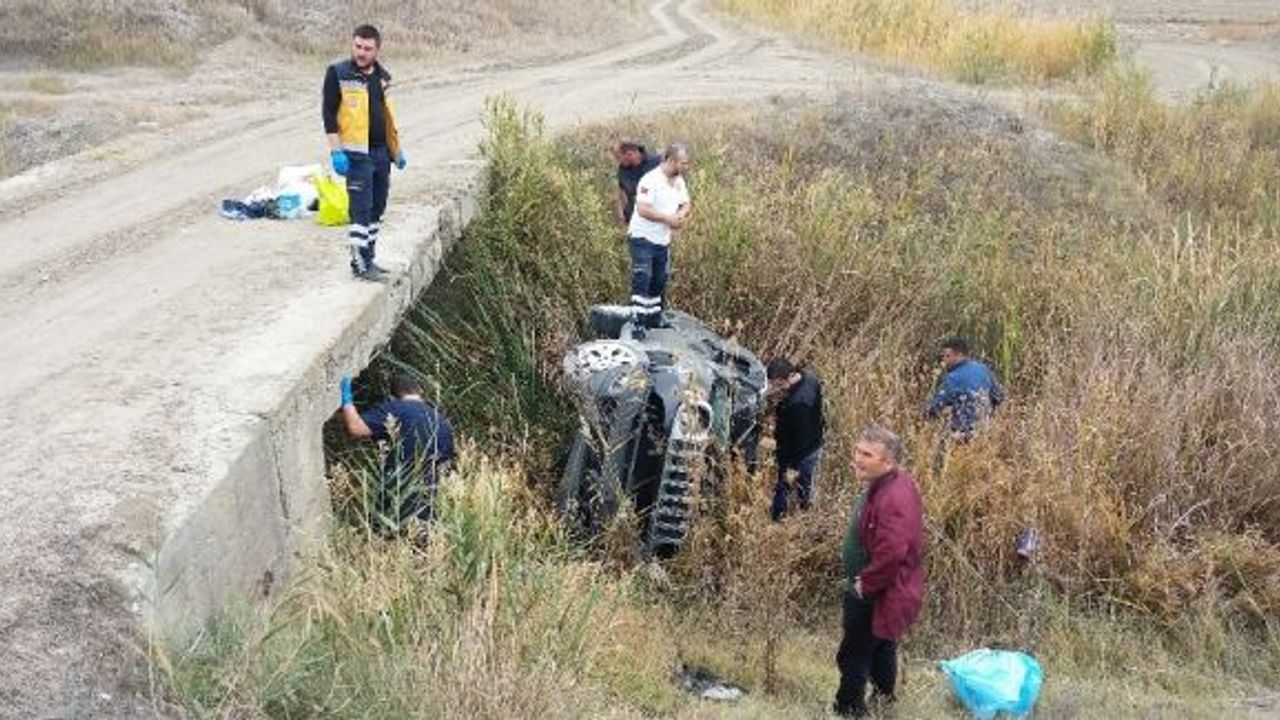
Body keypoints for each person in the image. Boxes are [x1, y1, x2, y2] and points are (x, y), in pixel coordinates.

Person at [835, 427, 925, 718]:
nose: (857, 459)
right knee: (882, 644)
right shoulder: (885, 485)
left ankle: (849, 709)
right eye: (857, 451)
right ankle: (883, 702)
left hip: (878, 590)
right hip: (884, 589)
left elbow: (892, 553)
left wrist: (866, 584)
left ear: (888, 463)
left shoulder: (893, 497)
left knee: (854, 653)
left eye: (867, 455)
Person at [322, 24, 407, 282]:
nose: (361, 52)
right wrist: (336, 151)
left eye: (367, 48)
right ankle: (359, 264)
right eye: (357, 46)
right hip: (356, 154)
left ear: (377, 50)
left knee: (377, 206)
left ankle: (369, 258)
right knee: (361, 209)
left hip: (381, 153)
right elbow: (328, 114)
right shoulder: (338, 74)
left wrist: (397, 150)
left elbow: (387, 117)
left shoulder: (383, 78)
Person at [340, 372, 455, 534]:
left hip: (399, 488)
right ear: (419, 391)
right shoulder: (441, 420)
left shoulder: (394, 408)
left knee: (387, 533)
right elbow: (447, 465)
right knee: (423, 534)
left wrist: (346, 399)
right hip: (431, 491)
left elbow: (356, 428)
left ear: (393, 396)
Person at [627, 143, 692, 328]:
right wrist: (667, 219)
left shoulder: (679, 181)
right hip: (642, 238)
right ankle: (638, 322)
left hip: (662, 240)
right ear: (670, 160)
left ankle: (654, 319)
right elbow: (643, 209)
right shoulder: (650, 180)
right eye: (683, 163)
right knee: (643, 277)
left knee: (659, 280)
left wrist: (680, 216)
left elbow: (686, 204)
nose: (685, 167)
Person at [766, 357, 824, 521]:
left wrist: (783, 458)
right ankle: (796, 514)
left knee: (794, 488)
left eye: (778, 384)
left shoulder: (798, 404)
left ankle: (786, 519)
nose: (776, 388)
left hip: (803, 452)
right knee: (804, 487)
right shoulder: (810, 378)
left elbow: (798, 439)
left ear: (791, 375)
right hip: (814, 440)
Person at [926, 336, 1005, 440]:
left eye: (948, 356)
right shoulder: (983, 369)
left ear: (960, 355)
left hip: (962, 434)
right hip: (987, 431)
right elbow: (999, 396)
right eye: (943, 356)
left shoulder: (953, 377)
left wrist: (926, 418)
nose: (944, 360)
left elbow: (935, 407)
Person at [611, 141, 661, 227]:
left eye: (619, 158)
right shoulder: (623, 170)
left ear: (629, 154)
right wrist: (621, 216)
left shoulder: (656, 162)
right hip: (634, 220)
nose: (618, 161)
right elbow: (621, 193)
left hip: (658, 218)